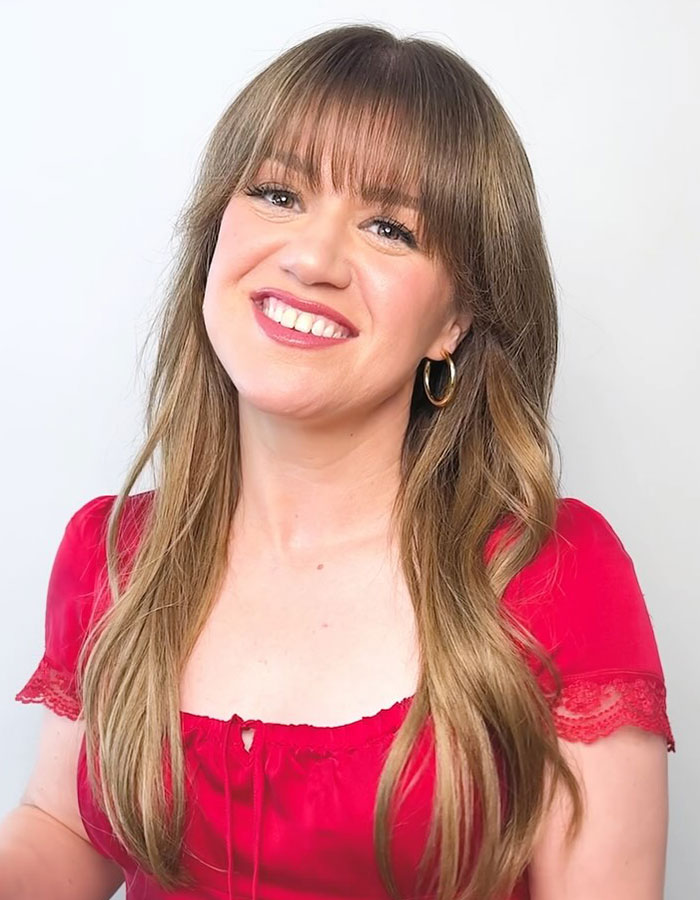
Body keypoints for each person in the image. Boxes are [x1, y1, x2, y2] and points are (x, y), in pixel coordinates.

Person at [2, 22, 674, 900]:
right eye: (278, 194)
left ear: (454, 321)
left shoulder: (556, 573)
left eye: (390, 227)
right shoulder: (114, 553)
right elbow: (62, 831)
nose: (312, 259)